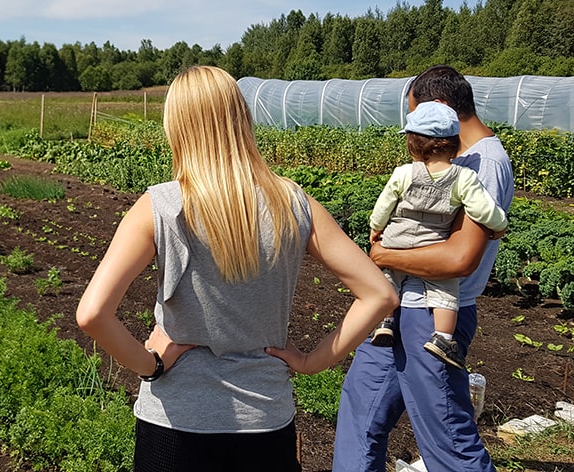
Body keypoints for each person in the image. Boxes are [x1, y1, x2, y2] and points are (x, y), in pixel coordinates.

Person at [77, 65, 398, 472]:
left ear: (178, 127)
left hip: (177, 423)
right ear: (240, 118)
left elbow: (91, 314)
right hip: (266, 423)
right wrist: (310, 361)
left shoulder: (159, 207)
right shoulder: (294, 203)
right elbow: (380, 294)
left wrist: (151, 364)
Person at [333, 65, 515, 472]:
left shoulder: (482, 164)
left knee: (447, 438)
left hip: (431, 315)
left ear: (439, 108)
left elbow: (459, 259)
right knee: (360, 417)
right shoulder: (453, 161)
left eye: (415, 119)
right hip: (398, 308)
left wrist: (382, 257)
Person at [369, 101, 508, 371]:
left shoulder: (403, 173)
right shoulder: (464, 178)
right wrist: (500, 225)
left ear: (413, 144)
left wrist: (376, 228)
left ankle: (385, 321)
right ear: (454, 143)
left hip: (397, 239)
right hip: (431, 243)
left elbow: (384, 205)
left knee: (387, 277)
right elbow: (483, 210)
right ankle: (442, 338)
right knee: (445, 291)